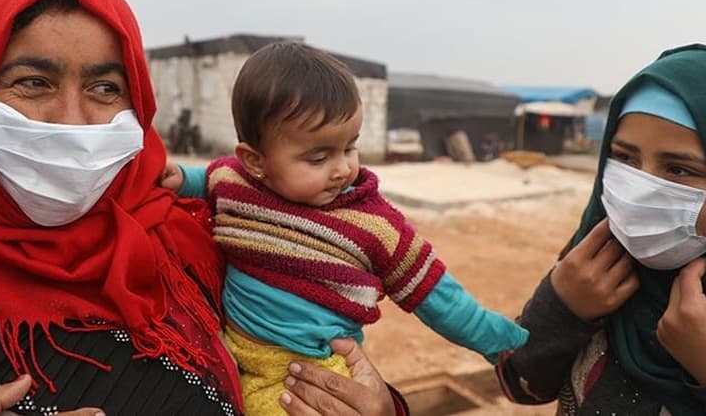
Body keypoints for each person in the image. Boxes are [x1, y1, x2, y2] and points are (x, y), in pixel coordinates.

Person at [0, 0, 404, 416]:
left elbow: (306, 360)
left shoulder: (200, 236)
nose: (75, 121)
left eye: (106, 88)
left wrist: (381, 406)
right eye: (33, 82)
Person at [161, 41, 529, 415]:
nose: (342, 169)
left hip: (309, 374)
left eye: (350, 148)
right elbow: (205, 179)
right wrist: (179, 178)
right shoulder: (234, 182)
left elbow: (436, 294)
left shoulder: (373, 225)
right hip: (233, 355)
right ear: (255, 161)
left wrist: (496, 342)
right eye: (319, 157)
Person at [496, 44, 706, 415]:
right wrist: (561, 309)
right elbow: (521, 385)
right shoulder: (595, 261)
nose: (639, 191)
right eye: (624, 158)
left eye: (678, 169)